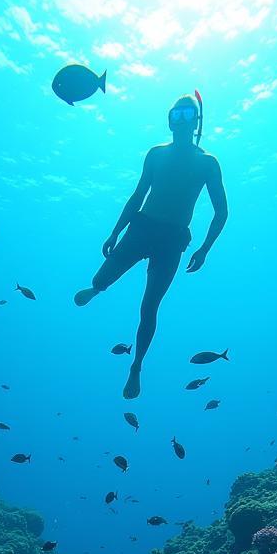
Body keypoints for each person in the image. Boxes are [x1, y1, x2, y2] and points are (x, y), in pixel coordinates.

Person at [75, 93, 228, 399]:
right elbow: (137, 195)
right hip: (142, 226)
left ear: (196, 122)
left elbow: (221, 211)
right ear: (169, 119)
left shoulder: (207, 163)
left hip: (173, 240)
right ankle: (98, 288)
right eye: (176, 114)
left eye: (187, 115)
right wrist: (114, 232)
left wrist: (205, 249)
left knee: (149, 306)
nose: (180, 121)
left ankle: (136, 366)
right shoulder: (155, 154)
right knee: (103, 277)